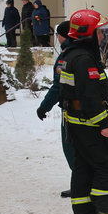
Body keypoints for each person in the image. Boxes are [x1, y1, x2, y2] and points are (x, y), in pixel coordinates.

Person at [60, 9, 108, 214]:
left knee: (83, 165)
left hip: (75, 122)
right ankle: (105, 212)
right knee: (106, 164)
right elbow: (89, 97)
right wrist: (103, 124)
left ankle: (83, 212)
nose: (101, 37)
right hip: (89, 123)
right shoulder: (84, 60)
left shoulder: (70, 55)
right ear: (88, 34)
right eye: (99, 32)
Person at [37, 21, 75, 197]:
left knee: (70, 146)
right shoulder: (85, 51)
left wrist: (43, 107)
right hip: (89, 108)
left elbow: (58, 87)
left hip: (70, 109)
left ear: (63, 36)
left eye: (58, 35)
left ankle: (80, 183)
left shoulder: (65, 57)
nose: (57, 38)